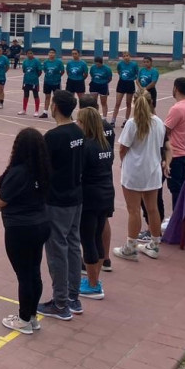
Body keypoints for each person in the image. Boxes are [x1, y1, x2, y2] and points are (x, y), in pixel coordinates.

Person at [0, 128, 50, 334]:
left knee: (24, 275)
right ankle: (32, 316)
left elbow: (2, 199)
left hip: (21, 228)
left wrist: (0, 203)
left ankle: (24, 319)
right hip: (41, 223)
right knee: (34, 271)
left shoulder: (18, 172)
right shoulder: (42, 169)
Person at [37, 90, 85, 321]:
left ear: (54, 106)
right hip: (75, 196)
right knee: (73, 245)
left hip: (57, 200)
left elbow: (42, 169)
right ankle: (73, 298)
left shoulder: (54, 137)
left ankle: (60, 303)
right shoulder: (78, 131)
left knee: (57, 250)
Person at [113, 91, 167, 262]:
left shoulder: (132, 123)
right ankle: (154, 244)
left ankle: (130, 247)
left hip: (134, 171)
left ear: (135, 103)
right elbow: (159, 146)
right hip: (153, 169)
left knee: (134, 210)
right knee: (152, 208)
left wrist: (123, 161)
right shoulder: (159, 122)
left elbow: (123, 148)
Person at [77, 107, 115, 301]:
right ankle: (95, 279)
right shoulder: (105, 145)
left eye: (79, 121)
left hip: (90, 198)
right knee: (97, 237)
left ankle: (92, 285)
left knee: (88, 239)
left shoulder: (86, 147)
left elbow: (79, 172)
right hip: (106, 195)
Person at [162, 78, 185, 226]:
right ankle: (180, 218)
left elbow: (165, 130)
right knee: (179, 187)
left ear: (176, 88)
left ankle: (177, 222)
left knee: (175, 189)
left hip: (175, 154)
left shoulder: (177, 108)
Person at [111, 51, 140, 127]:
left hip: (130, 83)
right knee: (117, 103)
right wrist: (123, 77)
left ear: (130, 56)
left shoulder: (134, 65)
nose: (126, 57)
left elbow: (137, 74)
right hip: (121, 83)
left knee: (128, 103)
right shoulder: (120, 64)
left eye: (127, 55)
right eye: (124, 56)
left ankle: (126, 120)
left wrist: (133, 78)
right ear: (122, 57)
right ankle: (113, 120)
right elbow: (119, 71)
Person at [40, 49, 64, 119]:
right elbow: (45, 70)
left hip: (56, 82)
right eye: (50, 53)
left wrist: (57, 77)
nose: (51, 54)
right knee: (47, 97)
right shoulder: (45, 62)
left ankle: (57, 112)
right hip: (47, 82)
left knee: (56, 98)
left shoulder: (59, 62)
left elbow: (62, 71)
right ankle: (45, 112)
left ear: (55, 54)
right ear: (48, 54)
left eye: (53, 53)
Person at [19, 50, 42, 116]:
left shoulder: (37, 61)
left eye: (31, 53)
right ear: (26, 54)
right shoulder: (25, 61)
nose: (30, 54)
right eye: (28, 53)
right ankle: (24, 110)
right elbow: (24, 70)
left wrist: (35, 76)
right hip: (26, 81)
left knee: (36, 95)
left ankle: (36, 111)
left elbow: (40, 71)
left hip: (34, 81)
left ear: (33, 54)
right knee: (26, 95)